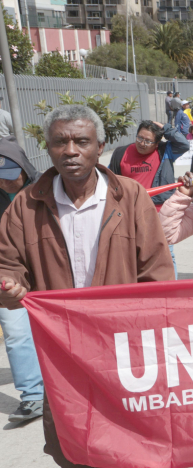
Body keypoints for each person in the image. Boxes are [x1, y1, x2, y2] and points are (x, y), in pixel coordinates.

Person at [0, 104, 174, 468]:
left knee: (130, 444)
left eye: (81, 141)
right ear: (48, 148)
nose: (70, 151)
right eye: (60, 142)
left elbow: (157, 275)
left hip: (125, 353)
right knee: (72, 446)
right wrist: (10, 288)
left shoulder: (131, 197)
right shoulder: (24, 207)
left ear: (100, 147)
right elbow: (8, 267)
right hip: (62, 355)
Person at [107, 120, 189, 277]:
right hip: (130, 213)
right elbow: (110, 180)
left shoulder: (165, 151)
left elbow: (183, 144)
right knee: (132, 254)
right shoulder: (120, 153)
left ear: (157, 143)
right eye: (140, 138)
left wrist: (166, 128)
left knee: (166, 253)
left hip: (159, 213)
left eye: (148, 141)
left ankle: (170, 288)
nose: (142, 143)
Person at [0, 136, 44, 424]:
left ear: (24, 167)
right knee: (16, 332)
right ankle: (33, 396)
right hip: (9, 274)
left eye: (9, 175)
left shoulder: (49, 188)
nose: (4, 182)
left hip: (48, 273)